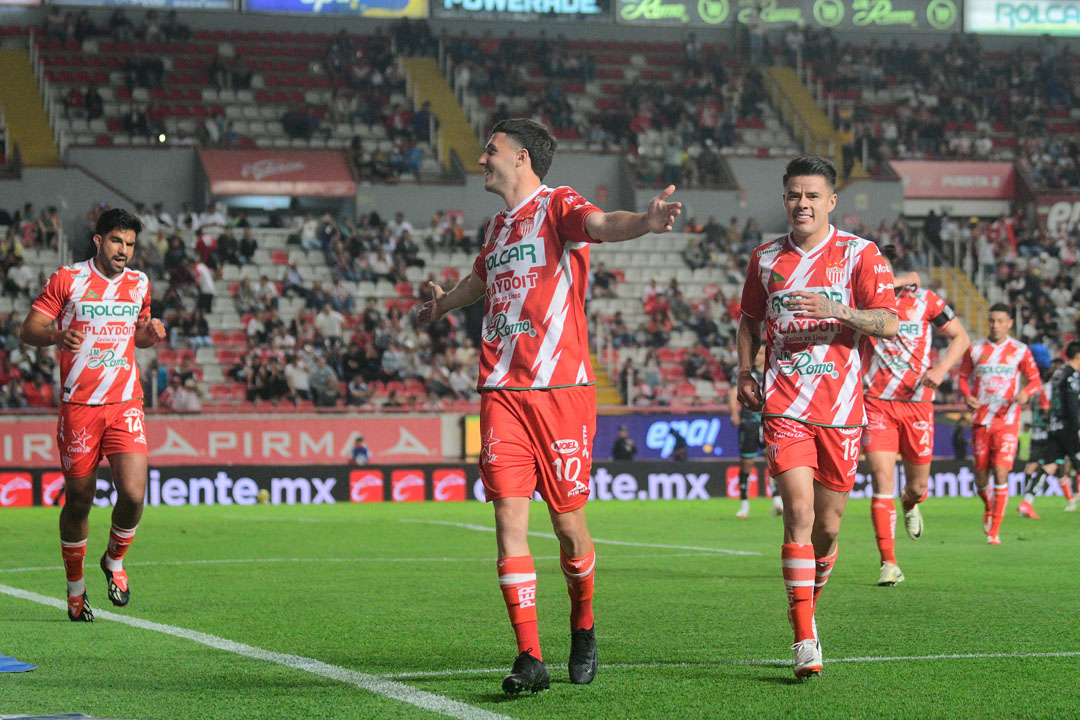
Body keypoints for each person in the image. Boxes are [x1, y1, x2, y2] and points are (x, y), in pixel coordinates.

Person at [418, 118, 681, 695]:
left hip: (561, 393)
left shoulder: (556, 204)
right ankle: (529, 655)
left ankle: (583, 625)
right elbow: (479, 281)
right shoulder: (498, 227)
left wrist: (646, 222)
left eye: (492, 151)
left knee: (567, 527)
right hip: (503, 395)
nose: (482, 159)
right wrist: (442, 307)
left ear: (523, 159)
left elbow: (603, 224)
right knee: (508, 520)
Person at [736, 156, 898, 680]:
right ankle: (805, 636)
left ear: (830, 201)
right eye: (793, 195)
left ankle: (808, 598)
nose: (801, 204)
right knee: (799, 515)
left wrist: (839, 312)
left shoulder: (859, 255)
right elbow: (749, 320)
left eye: (811, 196)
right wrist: (744, 370)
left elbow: (890, 323)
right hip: (784, 406)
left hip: (842, 412)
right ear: (784, 199)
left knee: (828, 528)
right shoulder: (764, 259)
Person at [19, 208, 167, 622]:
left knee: (134, 494)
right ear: (99, 241)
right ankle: (74, 587)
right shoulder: (68, 279)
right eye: (118, 241)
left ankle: (114, 561)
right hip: (79, 407)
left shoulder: (139, 284)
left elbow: (136, 335)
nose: (125, 251)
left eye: (131, 244)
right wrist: (55, 335)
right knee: (80, 500)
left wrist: (149, 338)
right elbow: (28, 330)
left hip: (124, 403)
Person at [860, 249, 970, 586]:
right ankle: (888, 563)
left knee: (918, 485)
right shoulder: (864, 301)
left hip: (918, 403)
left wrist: (940, 369)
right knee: (881, 480)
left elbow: (961, 338)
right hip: (876, 402)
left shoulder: (926, 300)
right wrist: (899, 278)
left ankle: (911, 503)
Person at [957, 303, 1041, 545]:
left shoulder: (1019, 350)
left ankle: (995, 530)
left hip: (1007, 420)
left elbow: (1035, 380)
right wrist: (966, 395)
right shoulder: (975, 349)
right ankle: (989, 505)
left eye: (1000, 321)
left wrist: (1026, 393)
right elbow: (963, 377)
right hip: (981, 421)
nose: (995, 325)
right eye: (991, 320)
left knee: (1001, 472)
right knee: (981, 478)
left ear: (1009, 323)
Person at [1018, 342, 1080, 517]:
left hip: (1054, 427)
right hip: (1068, 428)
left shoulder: (1057, 375)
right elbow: (1072, 403)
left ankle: (1026, 502)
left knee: (1049, 465)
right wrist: (1078, 427)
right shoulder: (1071, 375)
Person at [728, 345, 777, 518]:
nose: (758, 357)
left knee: (773, 462)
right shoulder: (744, 371)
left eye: (762, 353)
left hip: (769, 421)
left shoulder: (773, 369)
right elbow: (734, 391)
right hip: (749, 422)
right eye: (756, 352)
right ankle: (744, 504)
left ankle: (777, 502)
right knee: (746, 464)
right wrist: (734, 413)